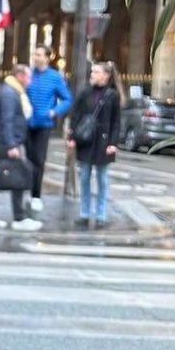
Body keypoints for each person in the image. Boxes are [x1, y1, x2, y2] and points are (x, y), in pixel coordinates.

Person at [0, 64, 42, 231]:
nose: (29, 81)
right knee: (19, 178)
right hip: (6, 142)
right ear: (20, 76)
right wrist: (12, 145)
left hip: (2, 141)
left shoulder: (12, 91)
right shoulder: (10, 93)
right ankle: (19, 218)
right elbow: (7, 120)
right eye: (28, 77)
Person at [67, 60, 122, 227]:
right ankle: (84, 213)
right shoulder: (85, 93)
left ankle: (101, 215)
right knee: (84, 177)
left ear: (105, 76)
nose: (92, 75)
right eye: (92, 72)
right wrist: (72, 137)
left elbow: (116, 121)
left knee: (102, 179)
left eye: (96, 72)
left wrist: (113, 143)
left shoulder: (112, 95)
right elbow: (75, 115)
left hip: (103, 143)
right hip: (86, 140)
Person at [24, 44, 72, 212]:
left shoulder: (55, 77)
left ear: (46, 58)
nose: (35, 57)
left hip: (44, 124)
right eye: (34, 54)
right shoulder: (28, 74)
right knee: (28, 160)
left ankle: (36, 195)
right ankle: (27, 190)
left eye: (39, 55)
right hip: (27, 123)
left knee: (39, 160)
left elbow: (67, 99)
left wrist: (55, 112)